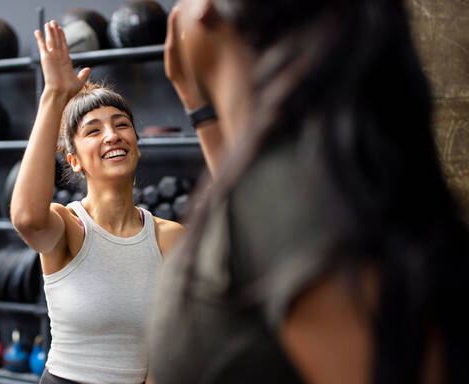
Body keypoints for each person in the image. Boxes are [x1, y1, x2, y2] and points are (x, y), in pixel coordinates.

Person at [149, 0, 469, 383]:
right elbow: (246, 195)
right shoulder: (293, 172)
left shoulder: (296, 189)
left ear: (208, 11)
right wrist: (198, 103)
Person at [10, 21, 184, 384]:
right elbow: (27, 218)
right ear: (73, 160)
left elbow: (171, 340)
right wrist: (54, 95)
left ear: (136, 142)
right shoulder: (68, 227)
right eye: (93, 130)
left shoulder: (171, 237)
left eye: (121, 124)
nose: (112, 135)